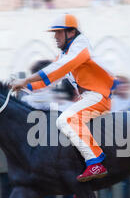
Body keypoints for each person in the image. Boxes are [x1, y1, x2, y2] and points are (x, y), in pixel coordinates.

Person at [11, 13, 117, 182]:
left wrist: (25, 80)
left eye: (58, 32)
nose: (55, 37)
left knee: (65, 120)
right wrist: (22, 86)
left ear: (71, 33)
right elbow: (50, 79)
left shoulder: (80, 46)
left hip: (97, 96)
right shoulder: (64, 55)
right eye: (55, 33)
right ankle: (84, 175)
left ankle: (96, 163)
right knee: (62, 128)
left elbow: (56, 69)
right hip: (88, 98)